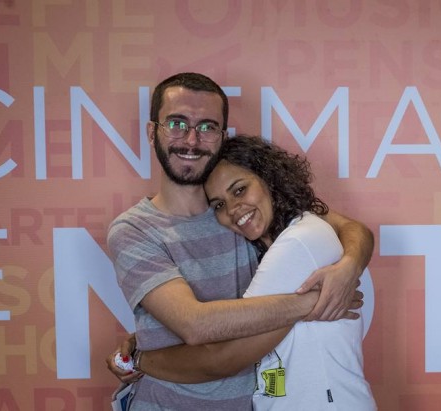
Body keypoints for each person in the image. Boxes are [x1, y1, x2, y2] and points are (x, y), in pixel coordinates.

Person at [106, 72, 373, 410]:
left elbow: (351, 228)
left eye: (206, 127)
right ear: (151, 132)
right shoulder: (135, 229)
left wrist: (349, 266)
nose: (190, 140)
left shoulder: (246, 216)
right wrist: (316, 302)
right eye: (176, 123)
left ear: (221, 135)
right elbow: (196, 325)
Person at [200, 135, 375, 409]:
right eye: (219, 205)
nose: (233, 209)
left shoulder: (298, 241)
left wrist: (147, 354)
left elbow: (225, 350)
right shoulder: (281, 244)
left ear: (268, 179)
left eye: (239, 190)